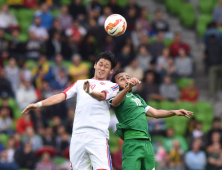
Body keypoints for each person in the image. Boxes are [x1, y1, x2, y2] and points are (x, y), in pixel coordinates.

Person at [22, 51, 119, 170]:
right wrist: (38, 104)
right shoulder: (80, 83)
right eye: (101, 64)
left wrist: (89, 92)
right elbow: (60, 96)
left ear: (111, 71)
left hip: (97, 135)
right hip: (77, 136)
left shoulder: (112, 86)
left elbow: (102, 96)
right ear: (95, 65)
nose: (102, 68)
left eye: (106, 66)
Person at [109, 69, 192, 170]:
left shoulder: (138, 98)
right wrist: (128, 88)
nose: (126, 80)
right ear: (115, 84)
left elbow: (155, 113)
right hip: (132, 142)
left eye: (128, 78)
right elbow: (114, 103)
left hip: (147, 142)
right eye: (122, 79)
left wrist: (174, 112)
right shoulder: (116, 96)